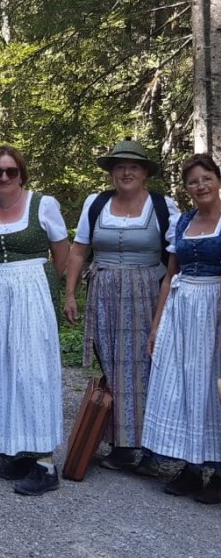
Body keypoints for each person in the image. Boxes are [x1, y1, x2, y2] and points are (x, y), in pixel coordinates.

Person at [65, 139, 178, 475]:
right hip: (104, 292)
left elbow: (176, 257)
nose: (126, 172)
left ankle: (150, 447)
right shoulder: (96, 203)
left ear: (145, 172)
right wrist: (70, 293)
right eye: (119, 166)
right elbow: (78, 250)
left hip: (148, 291)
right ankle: (122, 443)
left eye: (134, 166)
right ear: (111, 172)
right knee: (113, 366)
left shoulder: (162, 206)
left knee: (145, 366)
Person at [0, 145, 69, 495]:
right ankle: (17, 449)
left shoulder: (43, 204)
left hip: (31, 291)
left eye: (11, 171)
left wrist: (42, 287)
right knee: (1, 369)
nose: (3, 177)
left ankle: (45, 463)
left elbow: (61, 253)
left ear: (21, 174)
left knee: (33, 373)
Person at [142, 153, 221, 505]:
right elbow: (169, 275)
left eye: (206, 178)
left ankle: (218, 471)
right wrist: (157, 326)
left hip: (215, 308)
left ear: (217, 180)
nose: (200, 186)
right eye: (193, 181)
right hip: (181, 306)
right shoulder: (184, 222)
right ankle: (191, 466)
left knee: (212, 385)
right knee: (184, 384)